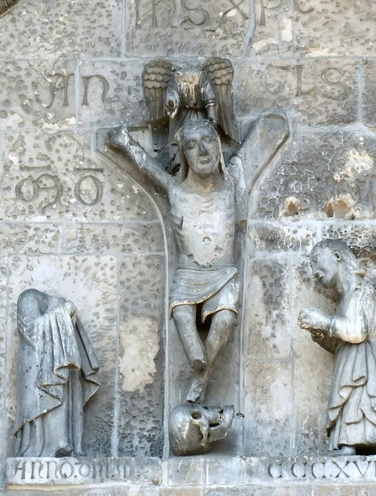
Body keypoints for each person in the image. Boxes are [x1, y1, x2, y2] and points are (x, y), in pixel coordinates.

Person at [107, 111, 287, 402]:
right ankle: (196, 359)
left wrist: (273, 128)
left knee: (225, 320)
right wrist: (124, 142)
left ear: (218, 146)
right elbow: (146, 166)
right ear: (184, 156)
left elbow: (262, 141)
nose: (202, 150)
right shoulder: (175, 189)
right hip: (188, 273)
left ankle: (201, 374)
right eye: (191, 145)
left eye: (208, 141)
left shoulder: (232, 182)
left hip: (224, 271)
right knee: (181, 314)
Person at [298, 239, 376, 455]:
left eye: (316, 261)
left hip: (364, 368)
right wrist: (320, 333)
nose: (314, 272)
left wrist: (324, 321)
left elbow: (356, 332)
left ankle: (356, 443)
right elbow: (341, 342)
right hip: (351, 366)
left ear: (337, 256)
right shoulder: (345, 300)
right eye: (311, 267)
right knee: (350, 401)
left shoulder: (361, 291)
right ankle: (348, 445)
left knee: (359, 399)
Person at [16, 288, 100, 458]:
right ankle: (44, 447)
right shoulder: (28, 297)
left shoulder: (49, 303)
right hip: (37, 368)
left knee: (62, 384)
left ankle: (62, 444)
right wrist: (62, 313)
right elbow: (32, 330)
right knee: (47, 395)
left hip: (58, 369)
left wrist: (64, 314)